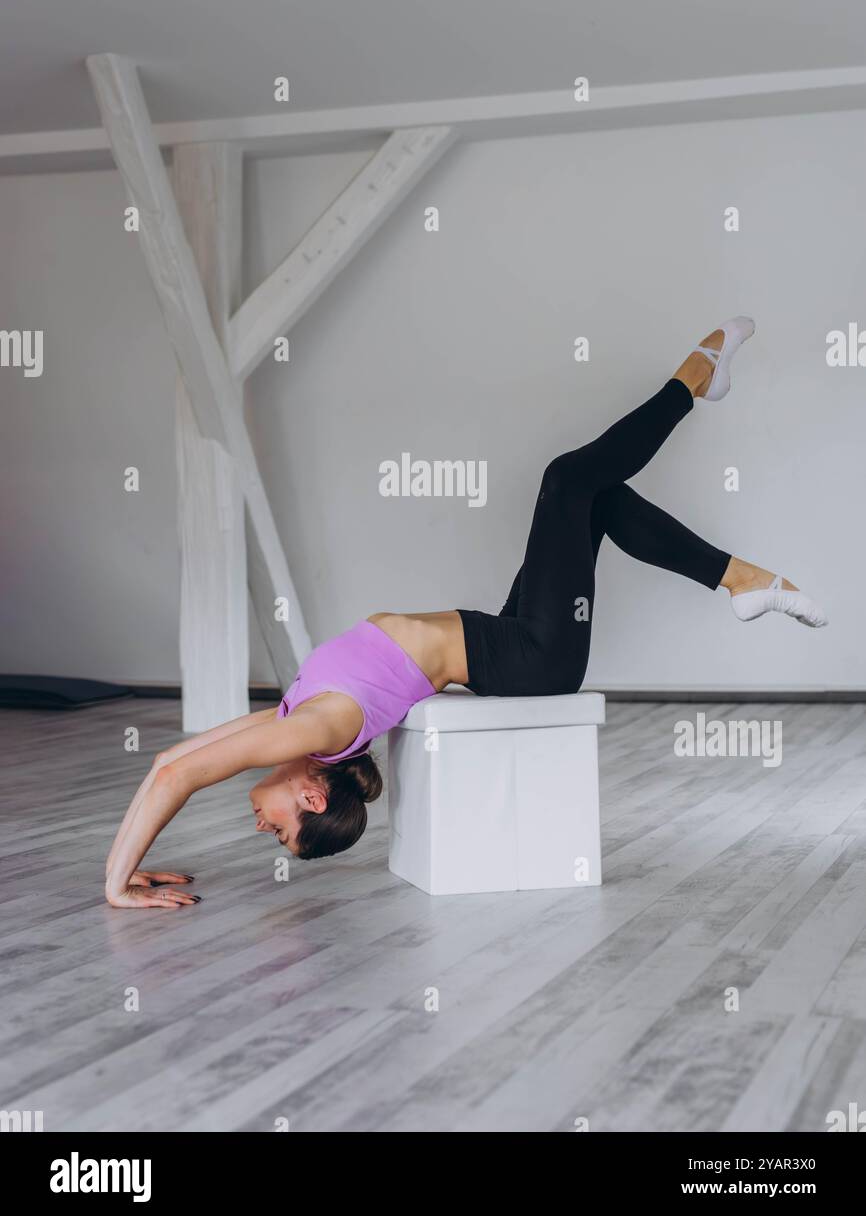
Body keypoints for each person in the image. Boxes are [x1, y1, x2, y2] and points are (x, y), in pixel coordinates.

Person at [104, 318, 827, 907]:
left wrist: (122, 877)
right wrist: (118, 887)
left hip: (508, 636)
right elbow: (178, 776)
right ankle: (697, 376)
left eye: (272, 833)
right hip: (533, 655)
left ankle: (740, 579)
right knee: (568, 480)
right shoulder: (322, 729)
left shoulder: (299, 722)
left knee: (591, 495)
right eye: (281, 832)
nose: (261, 823)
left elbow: (173, 763)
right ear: (312, 794)